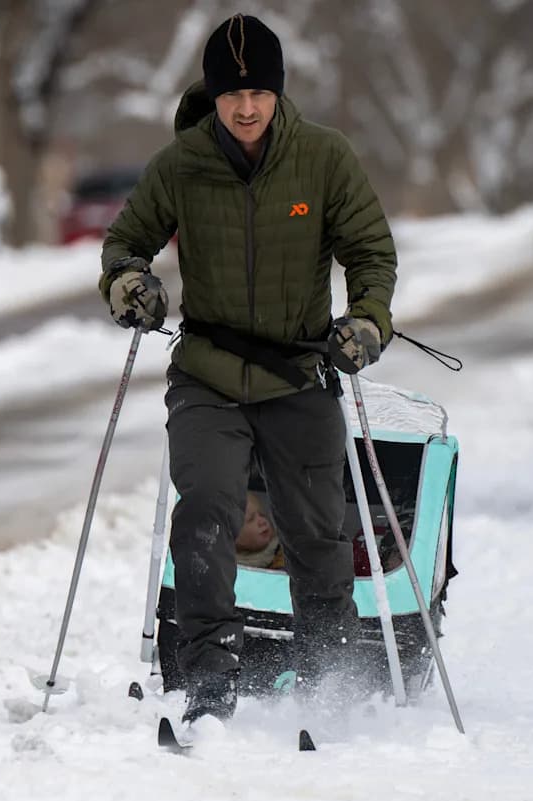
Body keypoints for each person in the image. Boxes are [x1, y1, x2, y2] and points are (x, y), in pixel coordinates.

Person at [99, 12, 397, 724]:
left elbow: (371, 253)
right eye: (232, 94)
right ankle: (209, 677)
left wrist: (366, 321)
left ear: (278, 92)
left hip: (300, 374)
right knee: (205, 512)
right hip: (208, 371)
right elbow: (124, 243)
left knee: (318, 532)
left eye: (259, 93)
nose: (245, 107)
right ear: (214, 93)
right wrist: (129, 285)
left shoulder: (324, 158)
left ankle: (333, 681)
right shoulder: (182, 163)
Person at [235, 491, 283, 570]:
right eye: (250, 519)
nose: (262, 521)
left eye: (262, 514)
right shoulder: (227, 568)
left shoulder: (284, 554)